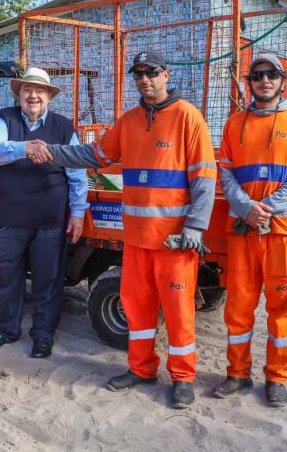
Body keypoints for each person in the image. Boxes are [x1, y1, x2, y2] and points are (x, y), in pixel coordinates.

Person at [31, 50, 217, 409]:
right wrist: (51, 152)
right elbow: (95, 155)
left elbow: (204, 178)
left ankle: (182, 378)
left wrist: (196, 225)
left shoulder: (188, 118)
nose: (144, 80)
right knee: (137, 309)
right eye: (138, 74)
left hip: (174, 242)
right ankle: (141, 368)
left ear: (166, 74)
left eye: (151, 73)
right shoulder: (129, 120)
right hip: (137, 240)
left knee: (179, 312)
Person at [212, 54, 287, 408]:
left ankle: (276, 377)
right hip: (243, 232)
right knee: (238, 308)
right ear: (249, 82)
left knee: (281, 306)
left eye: (271, 74)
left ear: (282, 80)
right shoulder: (234, 124)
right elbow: (224, 172)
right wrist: (246, 208)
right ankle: (237, 374)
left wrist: (265, 208)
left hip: (281, 233)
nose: (264, 80)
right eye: (257, 75)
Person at [0, 66, 89, 359]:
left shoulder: (64, 128)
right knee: (5, 277)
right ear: (19, 94)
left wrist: (77, 212)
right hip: (6, 216)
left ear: (49, 96)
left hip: (49, 217)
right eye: (27, 90)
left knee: (48, 278)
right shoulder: (5, 118)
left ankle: (42, 334)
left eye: (40, 90)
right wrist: (26, 147)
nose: (33, 95)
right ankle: (7, 329)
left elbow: (77, 171)